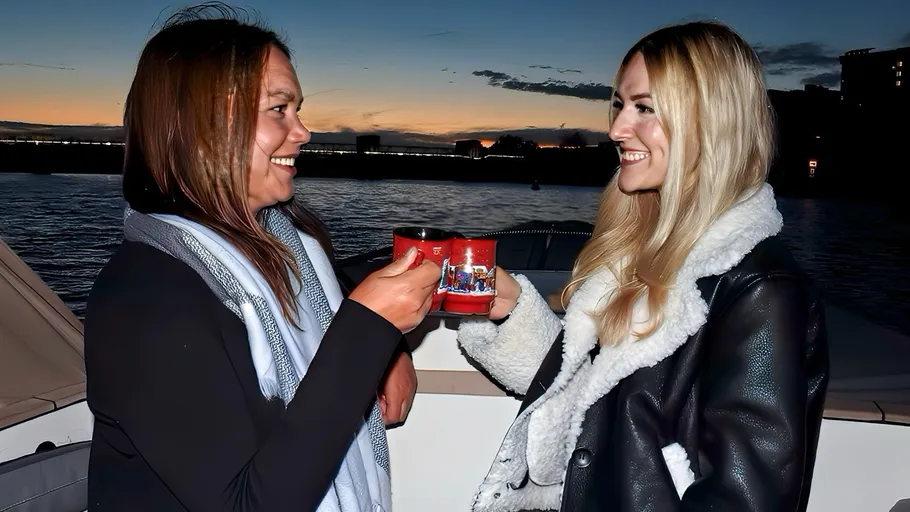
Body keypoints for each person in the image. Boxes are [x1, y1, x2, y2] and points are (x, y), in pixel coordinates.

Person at [457, 21, 829, 512]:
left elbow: (746, 500)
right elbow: (606, 396)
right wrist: (512, 309)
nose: (615, 129)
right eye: (618, 105)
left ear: (710, 122)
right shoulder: (645, 250)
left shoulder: (760, 289)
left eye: (644, 108)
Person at [83, 4, 440, 511]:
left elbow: (332, 301)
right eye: (279, 109)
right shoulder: (146, 297)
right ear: (208, 124)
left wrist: (388, 352)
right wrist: (368, 334)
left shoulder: (282, 244)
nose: (303, 132)